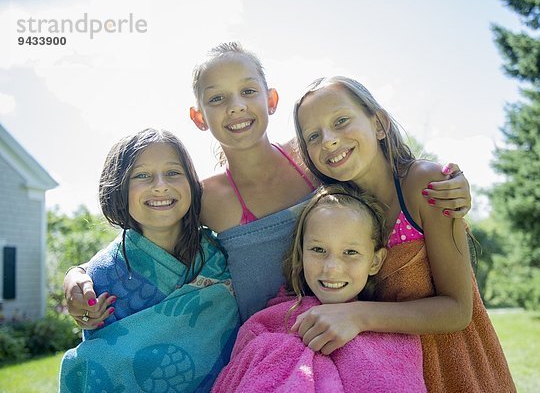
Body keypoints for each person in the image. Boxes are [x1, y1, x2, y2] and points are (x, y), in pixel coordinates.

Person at [63, 42, 472, 325]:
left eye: (247, 91)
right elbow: (147, 231)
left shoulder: (313, 159)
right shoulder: (207, 197)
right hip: (267, 346)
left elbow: (379, 175)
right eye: (217, 98)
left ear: (270, 100)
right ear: (198, 116)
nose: (236, 106)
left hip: (350, 330)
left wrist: (450, 180)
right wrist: (79, 274)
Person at [293, 76, 516, 392]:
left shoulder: (425, 184)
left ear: (380, 123)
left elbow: (457, 309)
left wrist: (357, 316)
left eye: (341, 121)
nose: (328, 140)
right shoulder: (334, 209)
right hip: (387, 371)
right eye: (313, 136)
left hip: (452, 365)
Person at [59, 129, 240, 393]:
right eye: (142, 175)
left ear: (191, 182)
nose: (160, 185)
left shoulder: (220, 253)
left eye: (173, 173)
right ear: (119, 189)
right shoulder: (101, 274)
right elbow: (104, 358)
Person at [212, 185, 427, 392]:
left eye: (350, 252)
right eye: (318, 249)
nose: (332, 268)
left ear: (375, 261)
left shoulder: (394, 332)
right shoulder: (264, 323)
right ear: (302, 253)